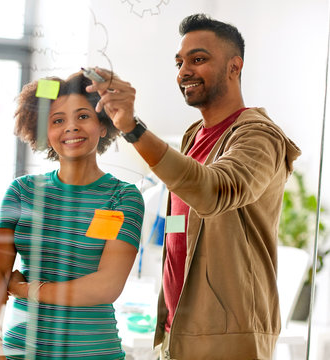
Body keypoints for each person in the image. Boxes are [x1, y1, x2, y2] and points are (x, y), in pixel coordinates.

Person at [87, 13, 302, 360]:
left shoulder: (259, 136)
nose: (184, 71)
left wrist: (132, 127)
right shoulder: (193, 136)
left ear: (235, 67)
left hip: (228, 337)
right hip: (178, 330)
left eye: (198, 59)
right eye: (179, 62)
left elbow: (213, 192)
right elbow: (182, 227)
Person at [0, 72, 145, 359]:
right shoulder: (22, 191)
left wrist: (28, 289)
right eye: (58, 120)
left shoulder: (121, 197)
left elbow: (105, 286)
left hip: (93, 353)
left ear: (103, 125)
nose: (70, 127)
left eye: (83, 116)